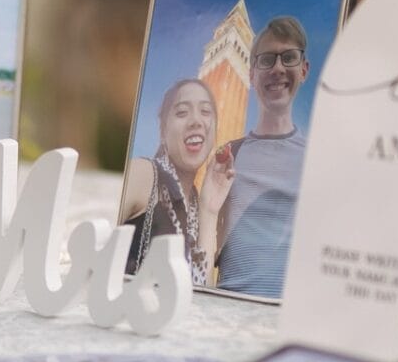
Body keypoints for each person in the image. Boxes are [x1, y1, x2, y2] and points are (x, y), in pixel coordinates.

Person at [205, 16, 313, 298]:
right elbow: (205, 251)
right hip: (227, 309)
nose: (278, 68)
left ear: (304, 70)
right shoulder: (228, 155)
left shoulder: (318, 159)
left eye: (289, 58)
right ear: (252, 75)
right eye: (266, 60)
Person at [117, 78, 227, 282]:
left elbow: (201, 294)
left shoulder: (196, 208)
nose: (196, 121)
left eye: (205, 111)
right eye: (182, 112)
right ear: (163, 131)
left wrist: (209, 211)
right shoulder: (144, 174)